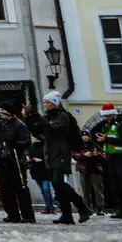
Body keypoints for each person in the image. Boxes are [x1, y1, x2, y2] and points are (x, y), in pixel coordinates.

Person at [37, 93, 89, 224]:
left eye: (47, 102)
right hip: (50, 154)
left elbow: (53, 128)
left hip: (61, 153)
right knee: (57, 185)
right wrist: (29, 117)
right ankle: (67, 215)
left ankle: (82, 206)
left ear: (54, 103)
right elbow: (36, 130)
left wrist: (38, 117)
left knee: (59, 182)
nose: (45, 105)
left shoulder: (62, 116)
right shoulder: (48, 117)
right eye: (44, 102)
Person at [0, 104, 35, 223]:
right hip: (1, 159)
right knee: (5, 189)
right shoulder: (0, 124)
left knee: (20, 187)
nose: (1, 113)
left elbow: (27, 141)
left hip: (15, 160)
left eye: (3, 111)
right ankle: (12, 213)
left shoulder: (19, 125)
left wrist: (13, 143)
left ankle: (27, 215)